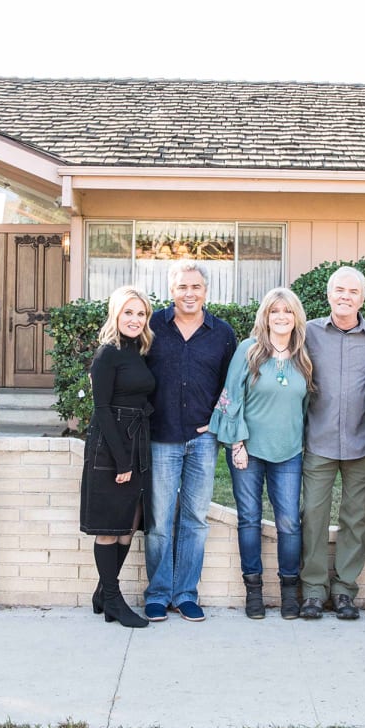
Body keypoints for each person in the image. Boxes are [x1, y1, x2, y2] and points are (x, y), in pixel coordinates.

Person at [209, 287, 312, 620]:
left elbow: (305, 406)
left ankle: (289, 593)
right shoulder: (249, 350)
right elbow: (230, 397)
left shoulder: (303, 355)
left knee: (289, 524)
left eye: (287, 311)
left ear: (296, 317)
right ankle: (253, 591)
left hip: (288, 453)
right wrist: (236, 444)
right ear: (265, 316)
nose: (281, 317)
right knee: (250, 520)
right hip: (248, 451)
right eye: (274, 311)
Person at [143, 260, 238, 622]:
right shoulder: (152, 327)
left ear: (206, 291)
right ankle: (158, 592)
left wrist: (217, 421)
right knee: (160, 519)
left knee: (195, 518)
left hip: (202, 440)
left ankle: (185, 593)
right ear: (172, 290)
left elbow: (231, 387)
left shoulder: (222, 333)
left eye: (196, 287)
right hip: (161, 437)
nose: (189, 293)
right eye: (182, 287)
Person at [299, 265, 365, 620]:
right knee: (313, 517)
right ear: (329, 294)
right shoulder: (308, 333)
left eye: (353, 292)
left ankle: (346, 590)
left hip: (361, 442)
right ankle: (313, 591)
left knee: (356, 518)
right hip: (318, 440)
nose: (345, 297)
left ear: (363, 299)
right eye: (339, 290)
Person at [80, 285, 156, 629]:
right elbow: (102, 409)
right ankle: (113, 599)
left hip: (136, 440)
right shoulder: (107, 354)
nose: (135, 319)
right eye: (128, 312)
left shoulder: (137, 350)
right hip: (111, 446)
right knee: (110, 527)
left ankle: (103, 591)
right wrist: (122, 460)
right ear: (115, 314)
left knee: (129, 523)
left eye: (141, 314)